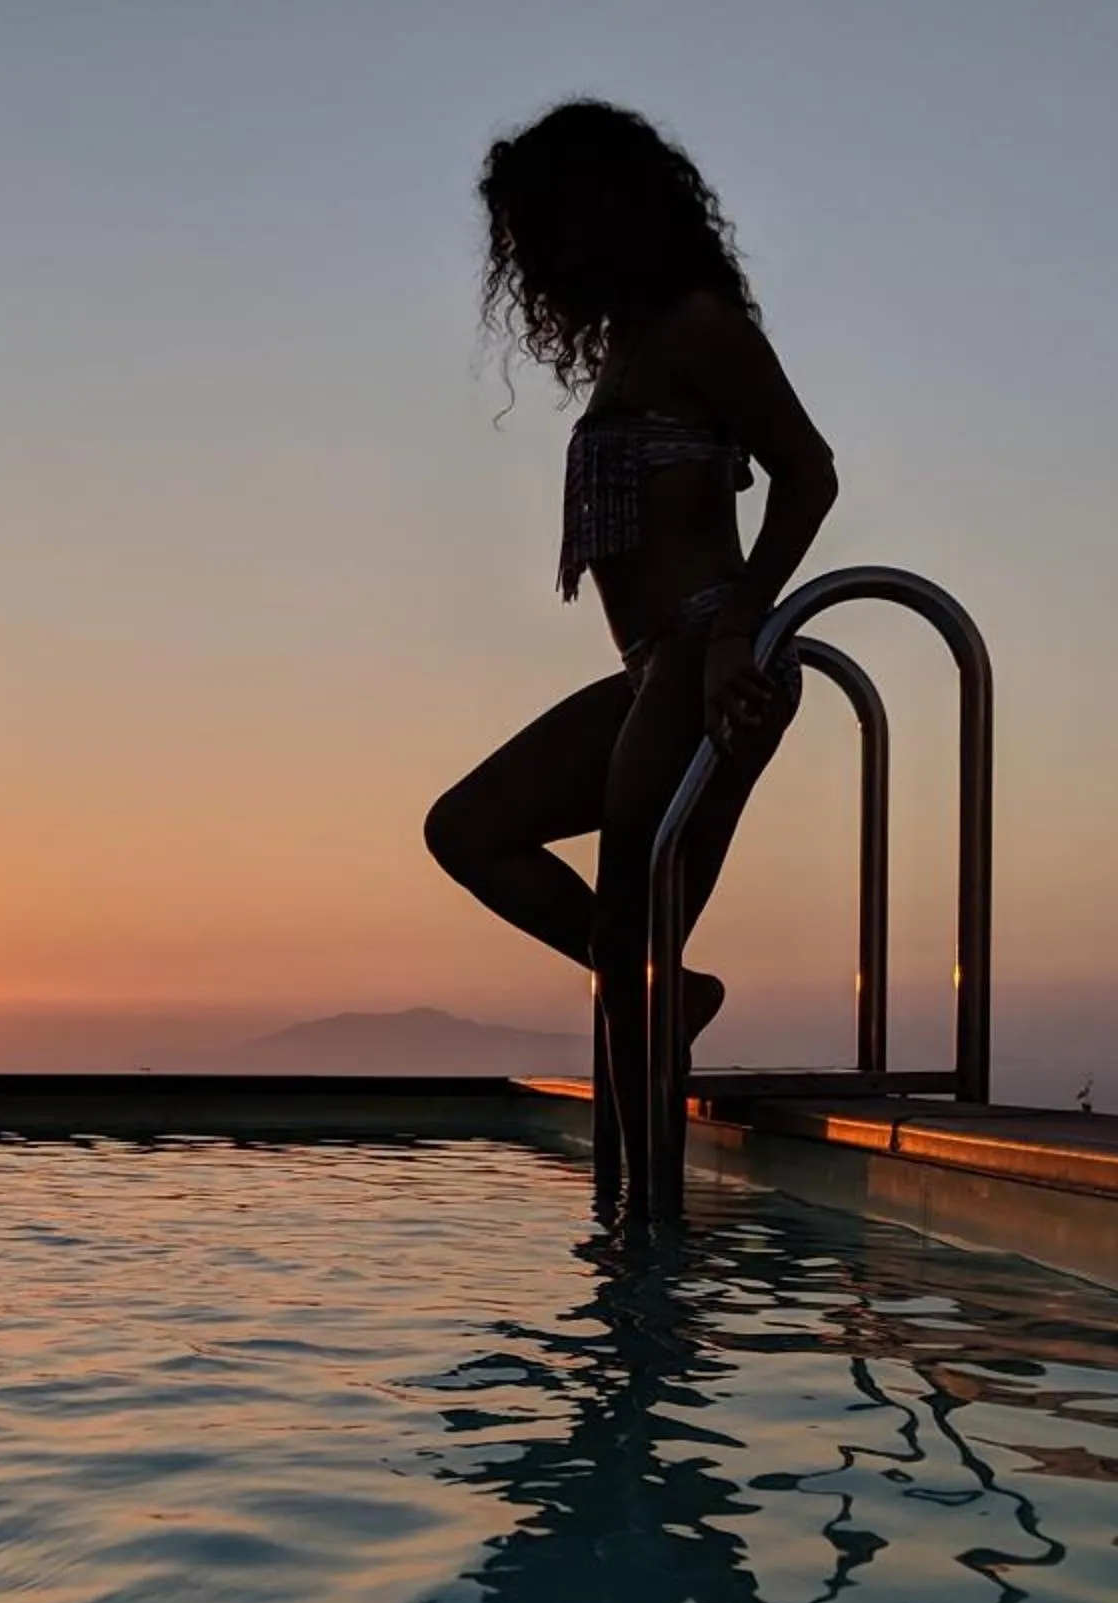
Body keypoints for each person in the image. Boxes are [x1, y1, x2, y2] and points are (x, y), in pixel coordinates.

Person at [424, 100, 836, 1194]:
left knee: (626, 946)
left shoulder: (702, 325)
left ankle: (642, 1230)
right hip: (653, 666)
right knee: (469, 830)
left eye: (541, 228)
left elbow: (809, 471)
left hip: (712, 658)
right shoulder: (629, 345)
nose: (532, 260)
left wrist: (741, 626)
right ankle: (672, 1006)